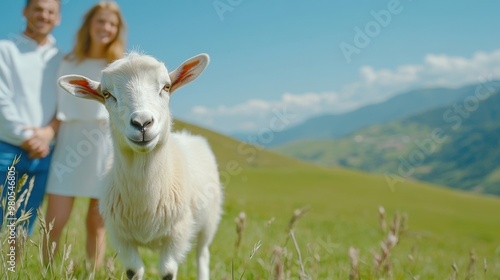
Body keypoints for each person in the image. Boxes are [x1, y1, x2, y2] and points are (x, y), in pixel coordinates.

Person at [43, 1, 126, 269]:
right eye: (100, 21)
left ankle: (94, 273)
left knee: (97, 223)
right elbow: (56, 104)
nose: (106, 28)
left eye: (112, 24)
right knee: (54, 222)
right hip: (69, 143)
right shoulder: (68, 60)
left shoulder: (119, 66)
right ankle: (46, 272)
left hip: (103, 145)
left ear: (118, 29)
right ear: (89, 24)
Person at [0, 0, 62, 236]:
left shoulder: (61, 58)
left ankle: (13, 271)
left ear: (58, 19)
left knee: (23, 224)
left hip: (44, 153)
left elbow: (65, 105)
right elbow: (2, 99)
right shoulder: (5, 49)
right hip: (7, 148)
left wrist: (48, 134)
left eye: (50, 11)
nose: (43, 15)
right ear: (25, 11)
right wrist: (28, 137)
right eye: (38, 9)